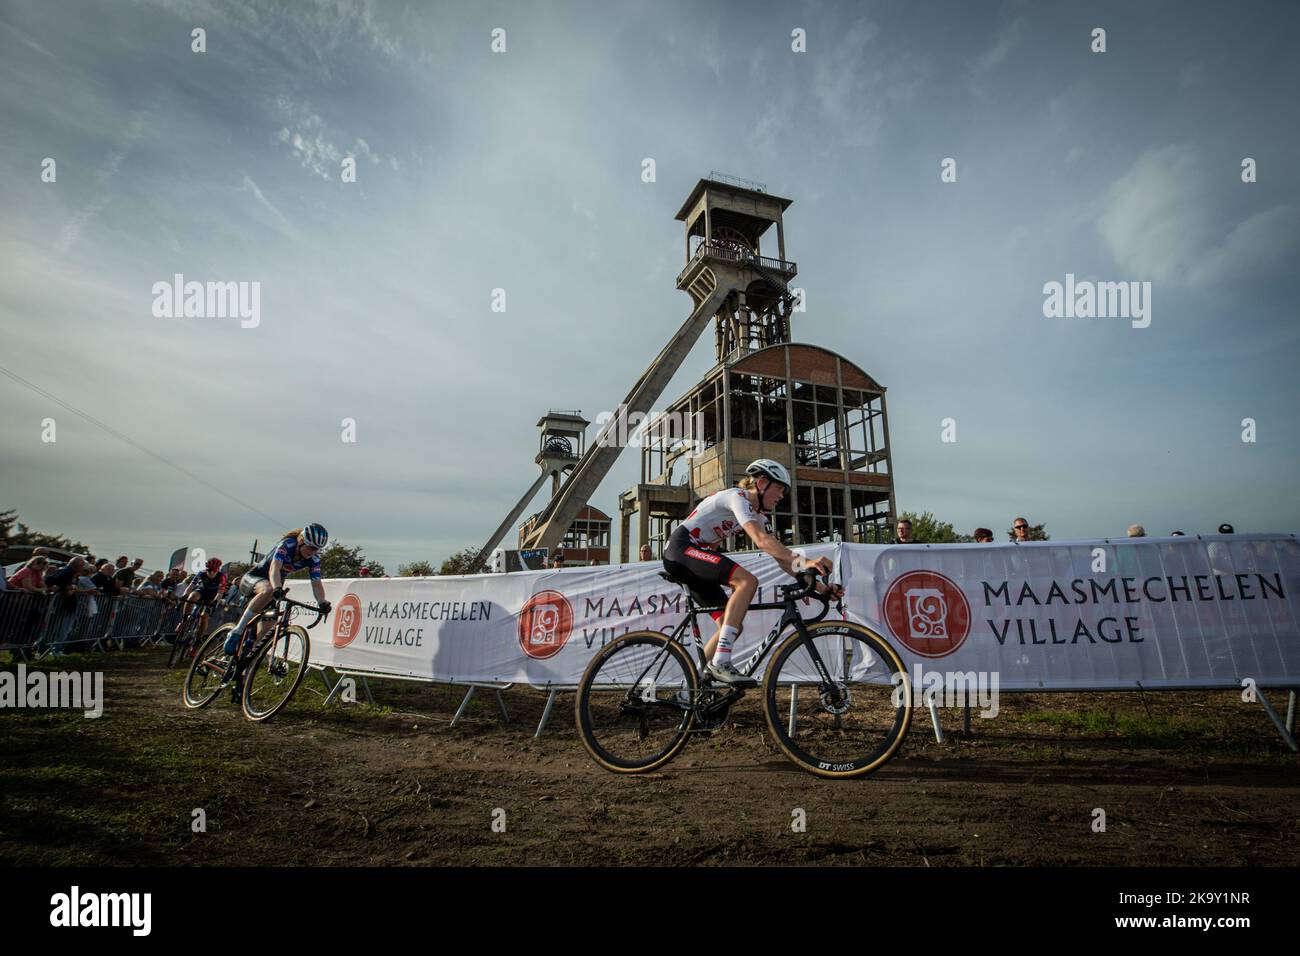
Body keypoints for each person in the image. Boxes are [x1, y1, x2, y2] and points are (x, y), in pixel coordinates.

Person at [663, 459, 841, 687]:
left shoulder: (760, 517)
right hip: (681, 550)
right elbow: (762, 542)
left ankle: (691, 687)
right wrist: (807, 561)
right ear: (762, 482)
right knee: (747, 581)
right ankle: (720, 662)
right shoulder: (736, 498)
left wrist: (821, 588)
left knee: (731, 626)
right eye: (779, 489)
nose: (782, 496)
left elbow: (781, 558)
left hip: (694, 557)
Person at [222, 524, 331, 669]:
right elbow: (275, 568)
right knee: (267, 590)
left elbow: (316, 584)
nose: (313, 552)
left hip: (275, 585)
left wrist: (322, 602)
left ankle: (241, 664)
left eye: (317, 549)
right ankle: (237, 631)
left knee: (266, 629)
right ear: (301, 541)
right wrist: (277, 587)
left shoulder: (314, 559)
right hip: (255, 578)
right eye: (311, 547)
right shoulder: (287, 544)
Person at [177, 558, 228, 639]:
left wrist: (215, 602)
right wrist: (185, 595)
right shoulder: (201, 573)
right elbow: (191, 586)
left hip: (213, 595)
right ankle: (184, 621)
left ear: (218, 570)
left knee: (204, 616)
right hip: (202, 590)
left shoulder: (222, 576)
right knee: (192, 597)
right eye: (209, 570)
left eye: (213, 570)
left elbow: (220, 592)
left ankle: (198, 639)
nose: (211, 572)